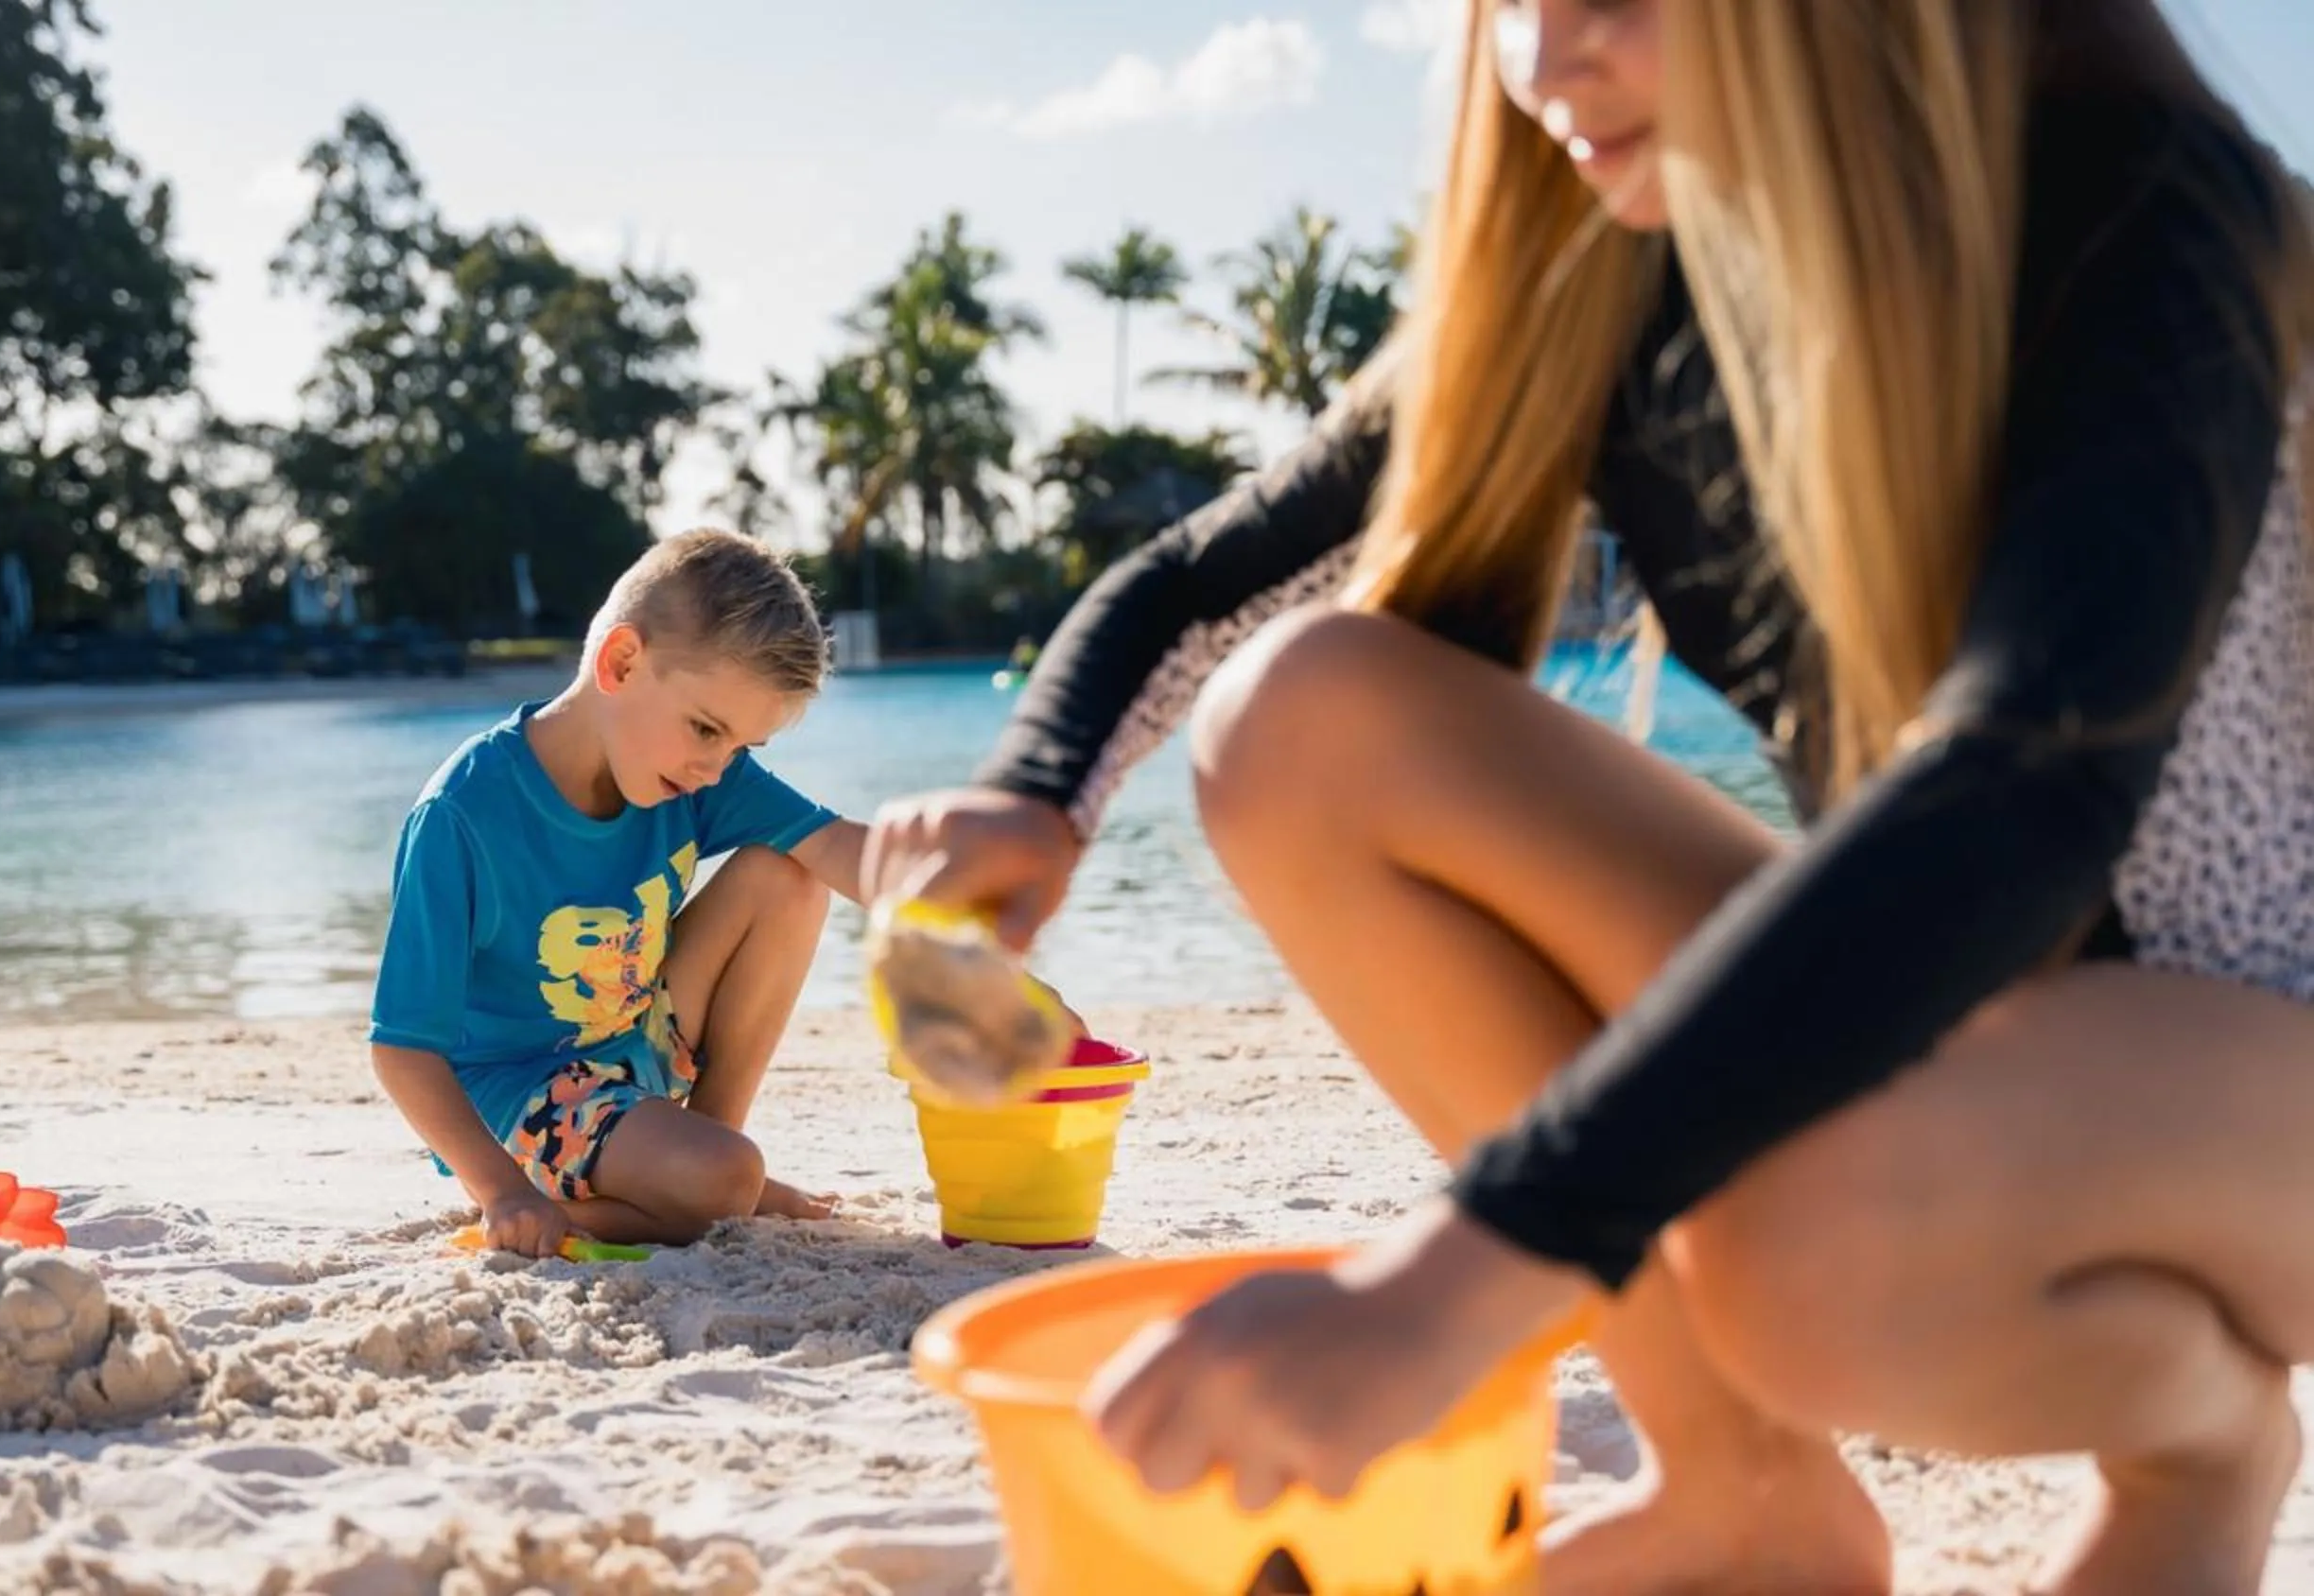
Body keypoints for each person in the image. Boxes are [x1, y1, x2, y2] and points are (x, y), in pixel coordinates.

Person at [861, 1, 2314, 1589]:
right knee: (1301, 721)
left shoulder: (2141, 205)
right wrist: (1038, 796)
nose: (1548, 62)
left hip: (2261, 1069)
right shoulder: (1635, 271)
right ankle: (1746, 1498)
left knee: (1805, 1252)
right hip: (1992, 1015)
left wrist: (1465, 1272)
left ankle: (2200, 1444)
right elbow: (1208, 580)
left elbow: (2021, 790)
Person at [372, 530, 864, 1259]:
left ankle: (707, 1159)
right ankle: (691, 1186)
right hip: (522, 1096)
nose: (714, 768)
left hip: (636, 1044)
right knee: (727, 1178)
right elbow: (403, 1048)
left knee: (788, 875)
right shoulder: (464, 812)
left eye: (739, 748)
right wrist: (500, 1190)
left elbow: (845, 852)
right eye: (706, 729)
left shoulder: (695, 770)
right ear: (622, 663)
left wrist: (991, 934)